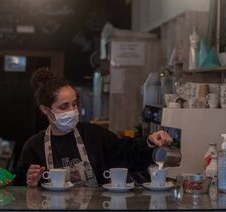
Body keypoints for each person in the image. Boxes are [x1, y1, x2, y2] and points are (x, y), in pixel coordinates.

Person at [14, 67, 172, 187]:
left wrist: (149, 141)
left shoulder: (94, 135)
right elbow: (19, 191)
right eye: (64, 107)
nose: (72, 111)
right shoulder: (34, 147)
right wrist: (30, 184)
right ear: (45, 110)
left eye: (74, 104)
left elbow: (127, 153)